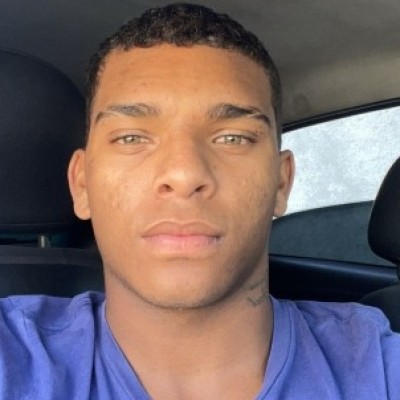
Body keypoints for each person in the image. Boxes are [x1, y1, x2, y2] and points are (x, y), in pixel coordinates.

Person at [0, 3, 399, 399]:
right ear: (82, 184)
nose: (184, 174)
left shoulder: (376, 367)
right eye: (131, 137)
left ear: (281, 183)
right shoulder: (14, 358)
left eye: (233, 138)